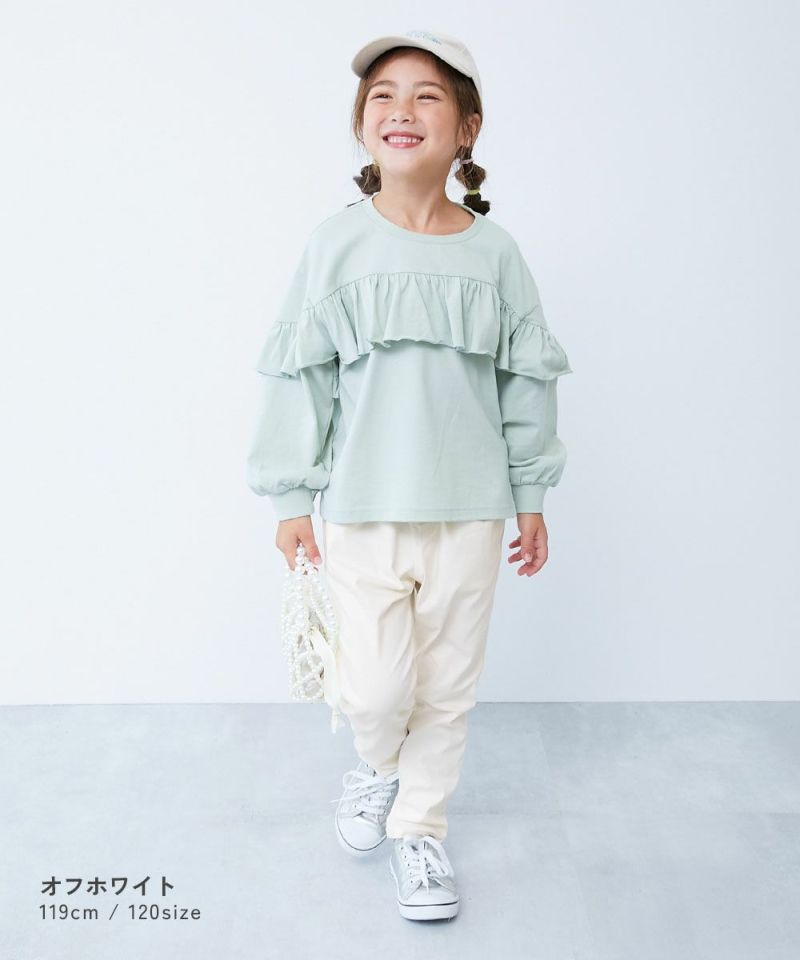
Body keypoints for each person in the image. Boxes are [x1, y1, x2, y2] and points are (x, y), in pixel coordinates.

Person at [246, 28, 573, 922]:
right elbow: (300, 376)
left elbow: (527, 381)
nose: (402, 109)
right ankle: (376, 765)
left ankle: (420, 829)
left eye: (428, 95)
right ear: (362, 124)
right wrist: (291, 494)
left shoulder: (496, 254)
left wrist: (531, 493)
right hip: (362, 509)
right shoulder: (335, 246)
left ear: (467, 128)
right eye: (383, 95)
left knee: (449, 685)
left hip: (472, 510)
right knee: (379, 687)